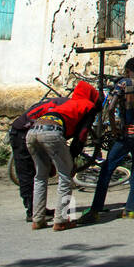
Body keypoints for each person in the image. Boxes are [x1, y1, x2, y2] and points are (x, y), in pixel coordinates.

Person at [80, 57, 134, 223]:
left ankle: (96, 209)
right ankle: (130, 209)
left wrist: (114, 128)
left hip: (126, 133)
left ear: (128, 70)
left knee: (107, 169)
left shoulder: (123, 84)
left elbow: (111, 107)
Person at [27, 80, 101, 231]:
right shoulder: (88, 106)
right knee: (65, 175)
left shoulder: (68, 104)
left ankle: (37, 219)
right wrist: (72, 158)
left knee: (40, 176)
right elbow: (81, 136)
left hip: (33, 132)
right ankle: (60, 219)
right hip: (52, 132)